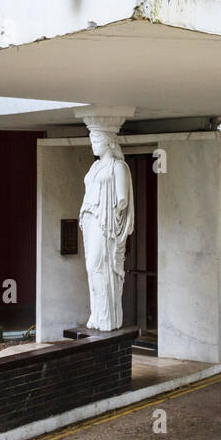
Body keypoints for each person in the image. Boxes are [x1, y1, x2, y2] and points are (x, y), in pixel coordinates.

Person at [80, 127, 133, 331]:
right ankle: (96, 314)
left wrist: (110, 208)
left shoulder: (118, 167)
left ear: (109, 142)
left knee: (99, 266)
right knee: (91, 268)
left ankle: (107, 316)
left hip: (106, 223)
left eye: (97, 140)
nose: (93, 144)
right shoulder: (94, 167)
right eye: (92, 140)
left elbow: (123, 200)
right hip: (90, 219)